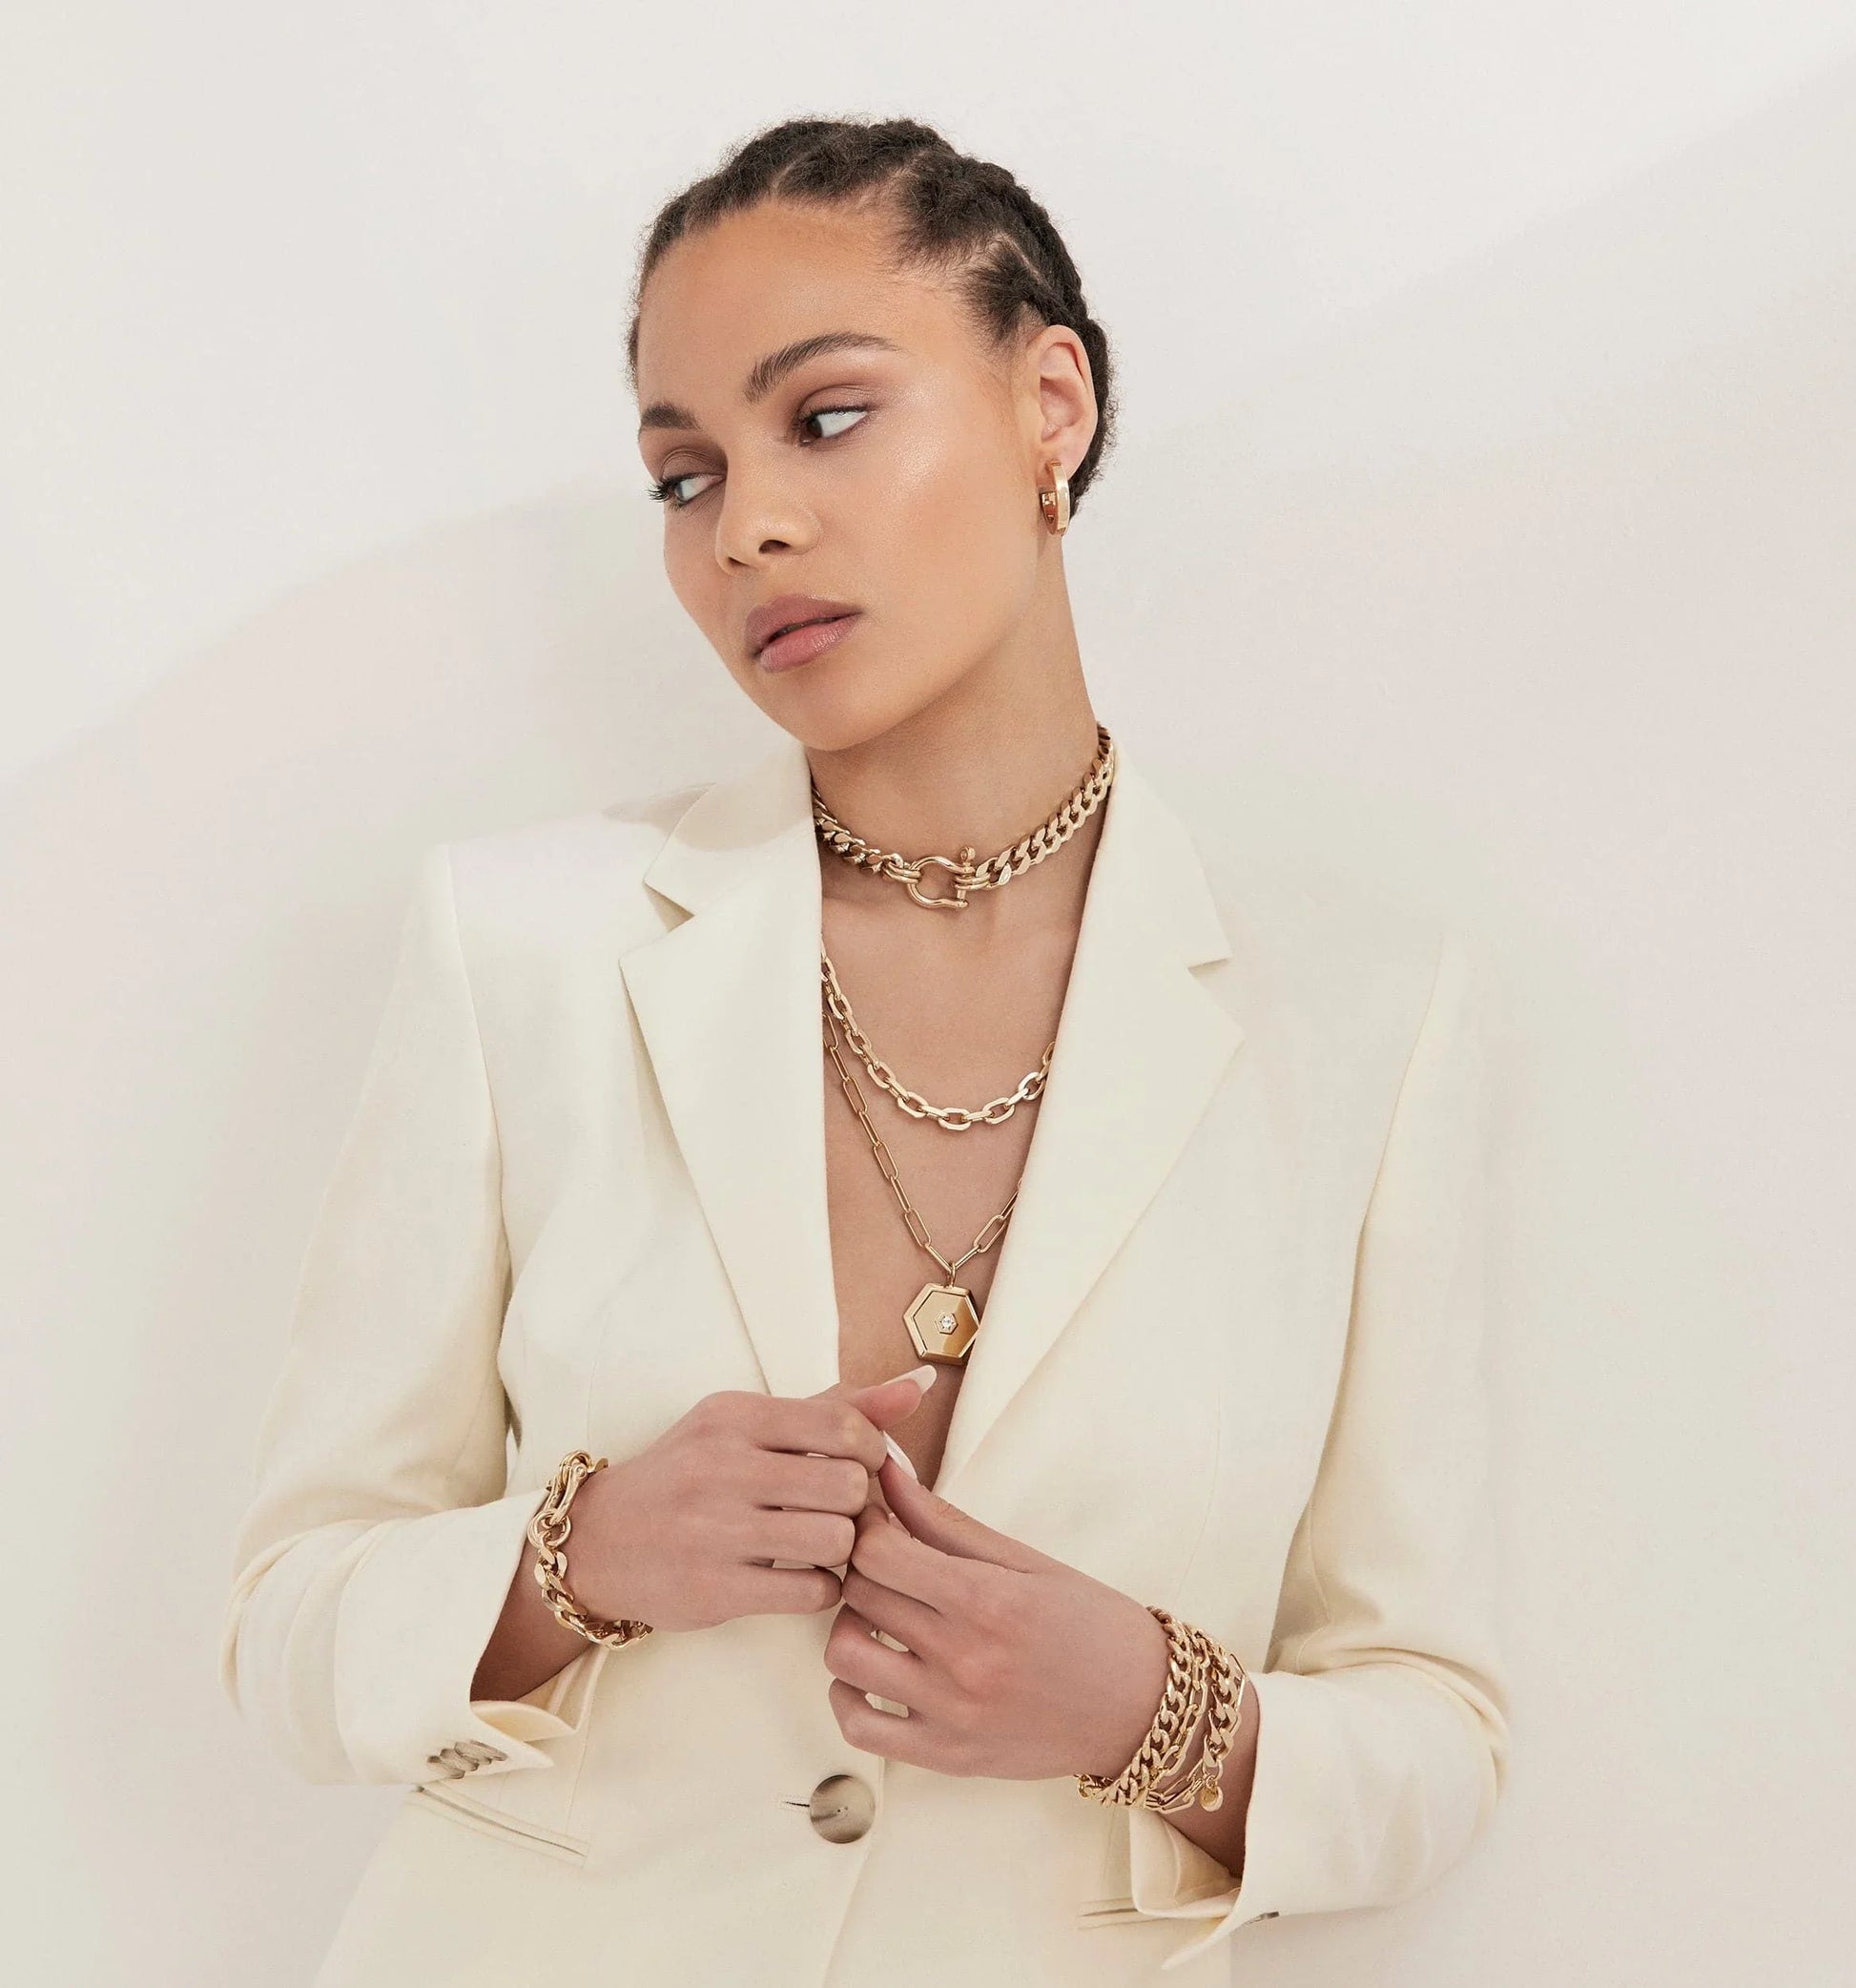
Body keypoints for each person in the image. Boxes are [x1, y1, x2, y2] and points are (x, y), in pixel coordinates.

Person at [219, 114, 1511, 1985]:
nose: (744, 522)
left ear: (1046, 400)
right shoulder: (527, 944)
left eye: (823, 418)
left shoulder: (1366, 1014)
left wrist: (1154, 1706)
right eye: (684, 473)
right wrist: (571, 1563)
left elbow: (1432, 1727)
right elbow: (284, 1626)